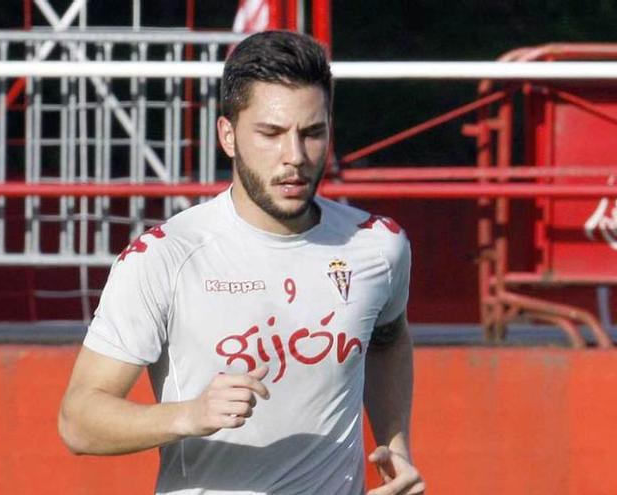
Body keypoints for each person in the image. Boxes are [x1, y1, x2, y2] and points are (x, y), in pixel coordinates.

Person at [59, 30, 425, 495]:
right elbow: (78, 421)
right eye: (271, 134)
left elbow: (388, 340)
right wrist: (189, 415)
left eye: (312, 133)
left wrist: (395, 444)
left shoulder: (378, 246)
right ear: (228, 135)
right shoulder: (165, 257)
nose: (294, 157)